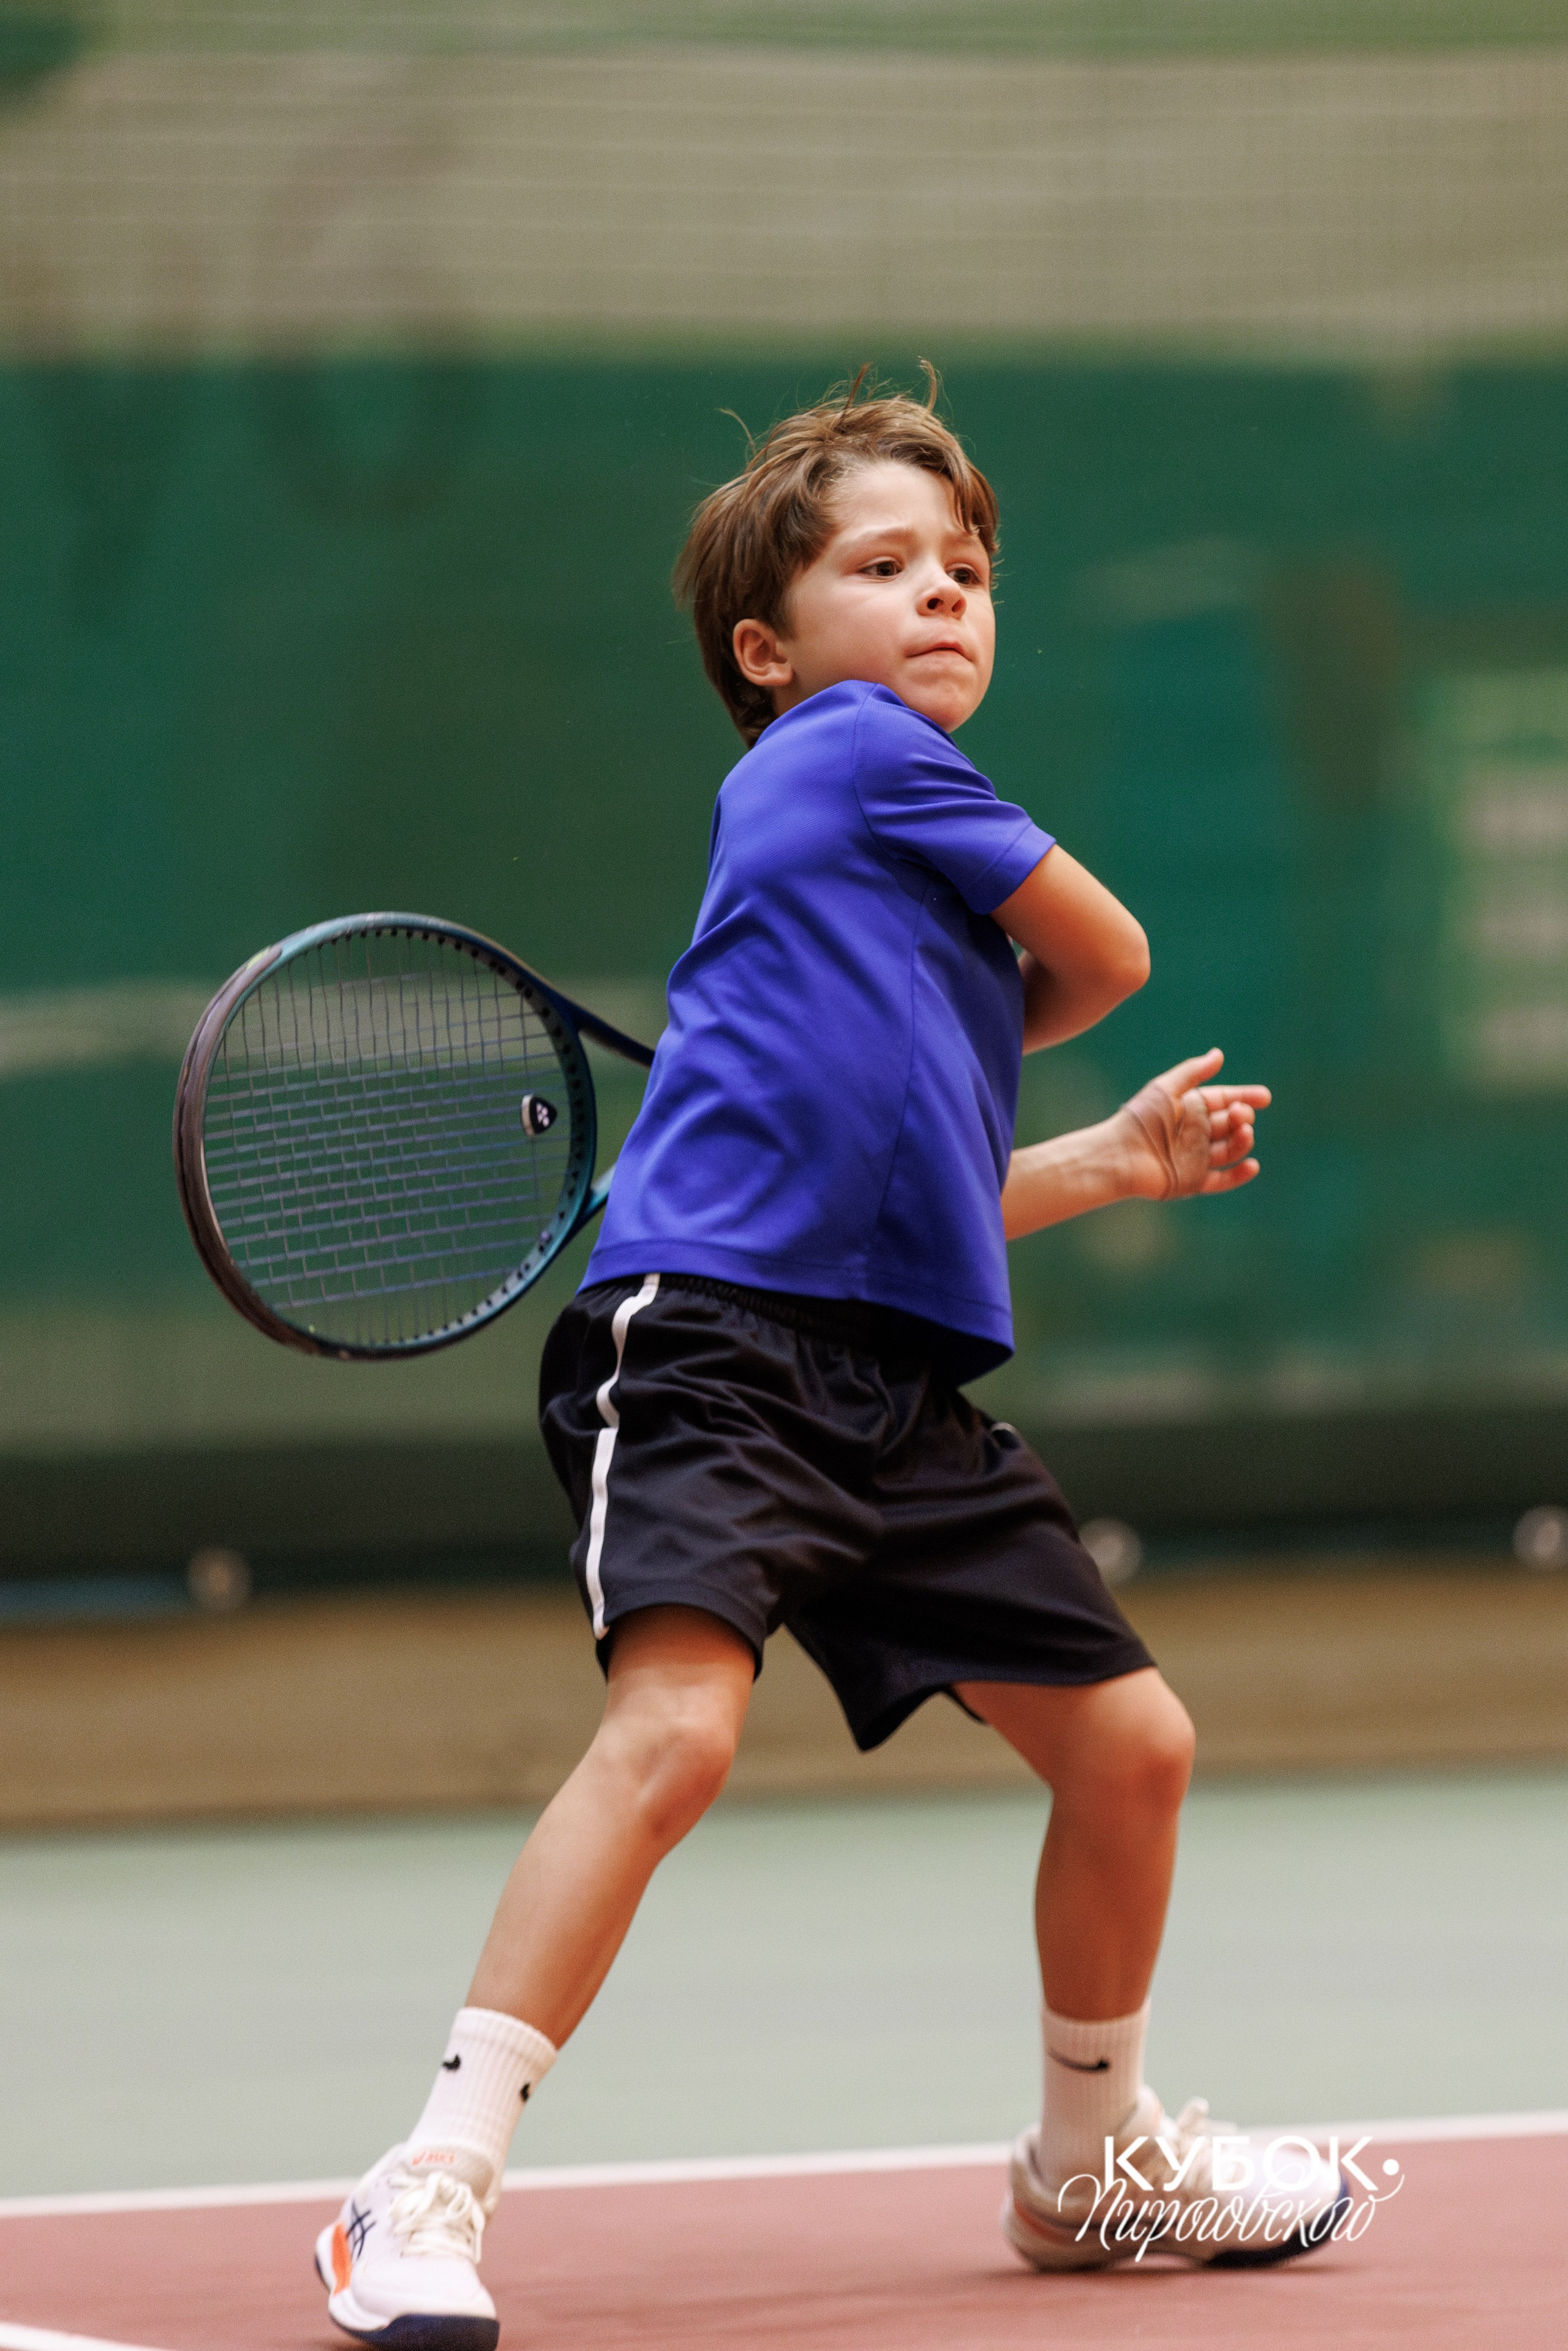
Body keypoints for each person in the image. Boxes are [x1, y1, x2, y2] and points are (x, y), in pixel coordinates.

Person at [315, 377, 1344, 2349]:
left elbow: (912, 1203)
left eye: (968, 571)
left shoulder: (899, 927)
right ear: (770, 654)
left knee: (1132, 1747)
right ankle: (423, 2181)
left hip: (885, 1387)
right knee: (677, 1735)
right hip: (709, 1356)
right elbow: (1110, 956)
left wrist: (1104, 1164)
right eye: (885, 567)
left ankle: (1090, 2162)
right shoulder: (853, 753)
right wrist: (1047, 1027)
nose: (946, 597)